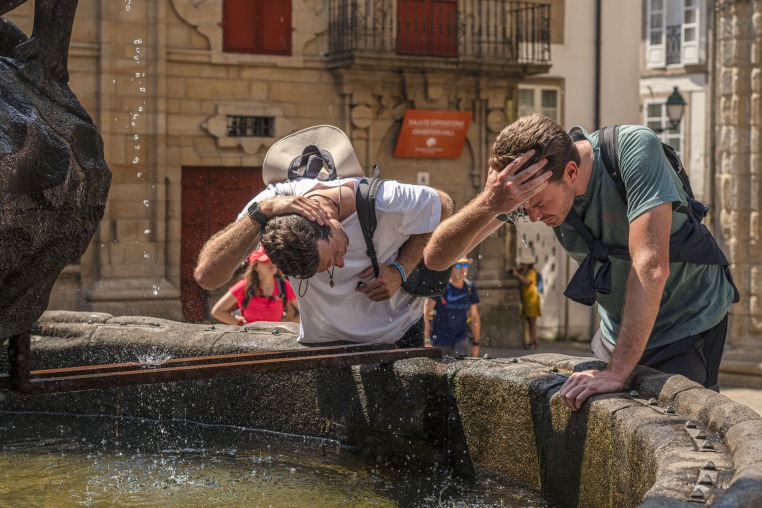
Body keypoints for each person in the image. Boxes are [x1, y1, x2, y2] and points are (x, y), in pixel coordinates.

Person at [424, 113, 737, 411]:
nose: (531, 216)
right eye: (522, 206)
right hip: (618, 332)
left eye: (538, 204)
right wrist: (491, 202)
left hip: (688, 321)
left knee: (683, 429)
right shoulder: (534, 185)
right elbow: (436, 258)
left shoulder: (633, 149)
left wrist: (616, 372)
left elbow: (651, 265)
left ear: (571, 173)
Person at [195, 125, 453, 347]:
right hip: (322, 345)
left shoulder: (385, 200)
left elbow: (443, 205)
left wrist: (400, 269)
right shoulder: (273, 203)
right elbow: (207, 276)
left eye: (336, 255)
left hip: (397, 336)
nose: (341, 264)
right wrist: (260, 212)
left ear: (327, 220)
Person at [210, 246, 299, 326]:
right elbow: (217, 311)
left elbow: (308, 311)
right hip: (249, 339)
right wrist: (240, 323)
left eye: (273, 259)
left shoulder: (285, 286)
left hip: (275, 339)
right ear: (255, 267)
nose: (271, 263)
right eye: (265, 260)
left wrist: (286, 326)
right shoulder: (244, 286)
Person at [423, 257, 481, 357]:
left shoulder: (470, 288)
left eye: (466, 265)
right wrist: (427, 341)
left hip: (462, 341)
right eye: (459, 265)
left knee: (462, 371)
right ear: (451, 267)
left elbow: (474, 316)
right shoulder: (440, 287)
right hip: (440, 342)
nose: (464, 269)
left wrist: (476, 343)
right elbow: (425, 316)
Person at [510, 253, 541, 349]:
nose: (522, 265)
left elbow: (527, 282)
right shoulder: (525, 271)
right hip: (527, 300)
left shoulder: (531, 272)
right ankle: (533, 340)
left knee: (532, 322)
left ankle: (533, 342)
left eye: (523, 263)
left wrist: (517, 275)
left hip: (532, 299)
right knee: (529, 323)